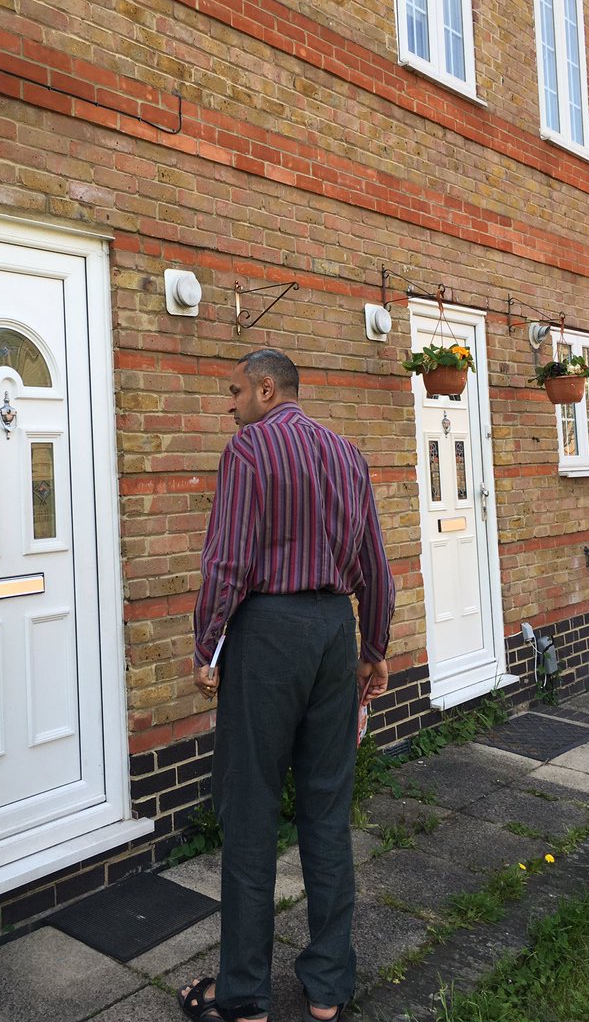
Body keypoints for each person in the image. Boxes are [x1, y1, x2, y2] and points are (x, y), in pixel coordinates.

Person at [177, 350, 395, 1022]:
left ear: (267, 389)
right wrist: (374, 645)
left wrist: (207, 645)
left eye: (236, 391)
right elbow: (373, 560)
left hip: (268, 635)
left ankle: (243, 995)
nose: (231, 403)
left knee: (250, 811)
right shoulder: (346, 453)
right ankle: (328, 990)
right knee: (327, 809)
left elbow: (228, 559)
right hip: (334, 631)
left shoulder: (248, 451)